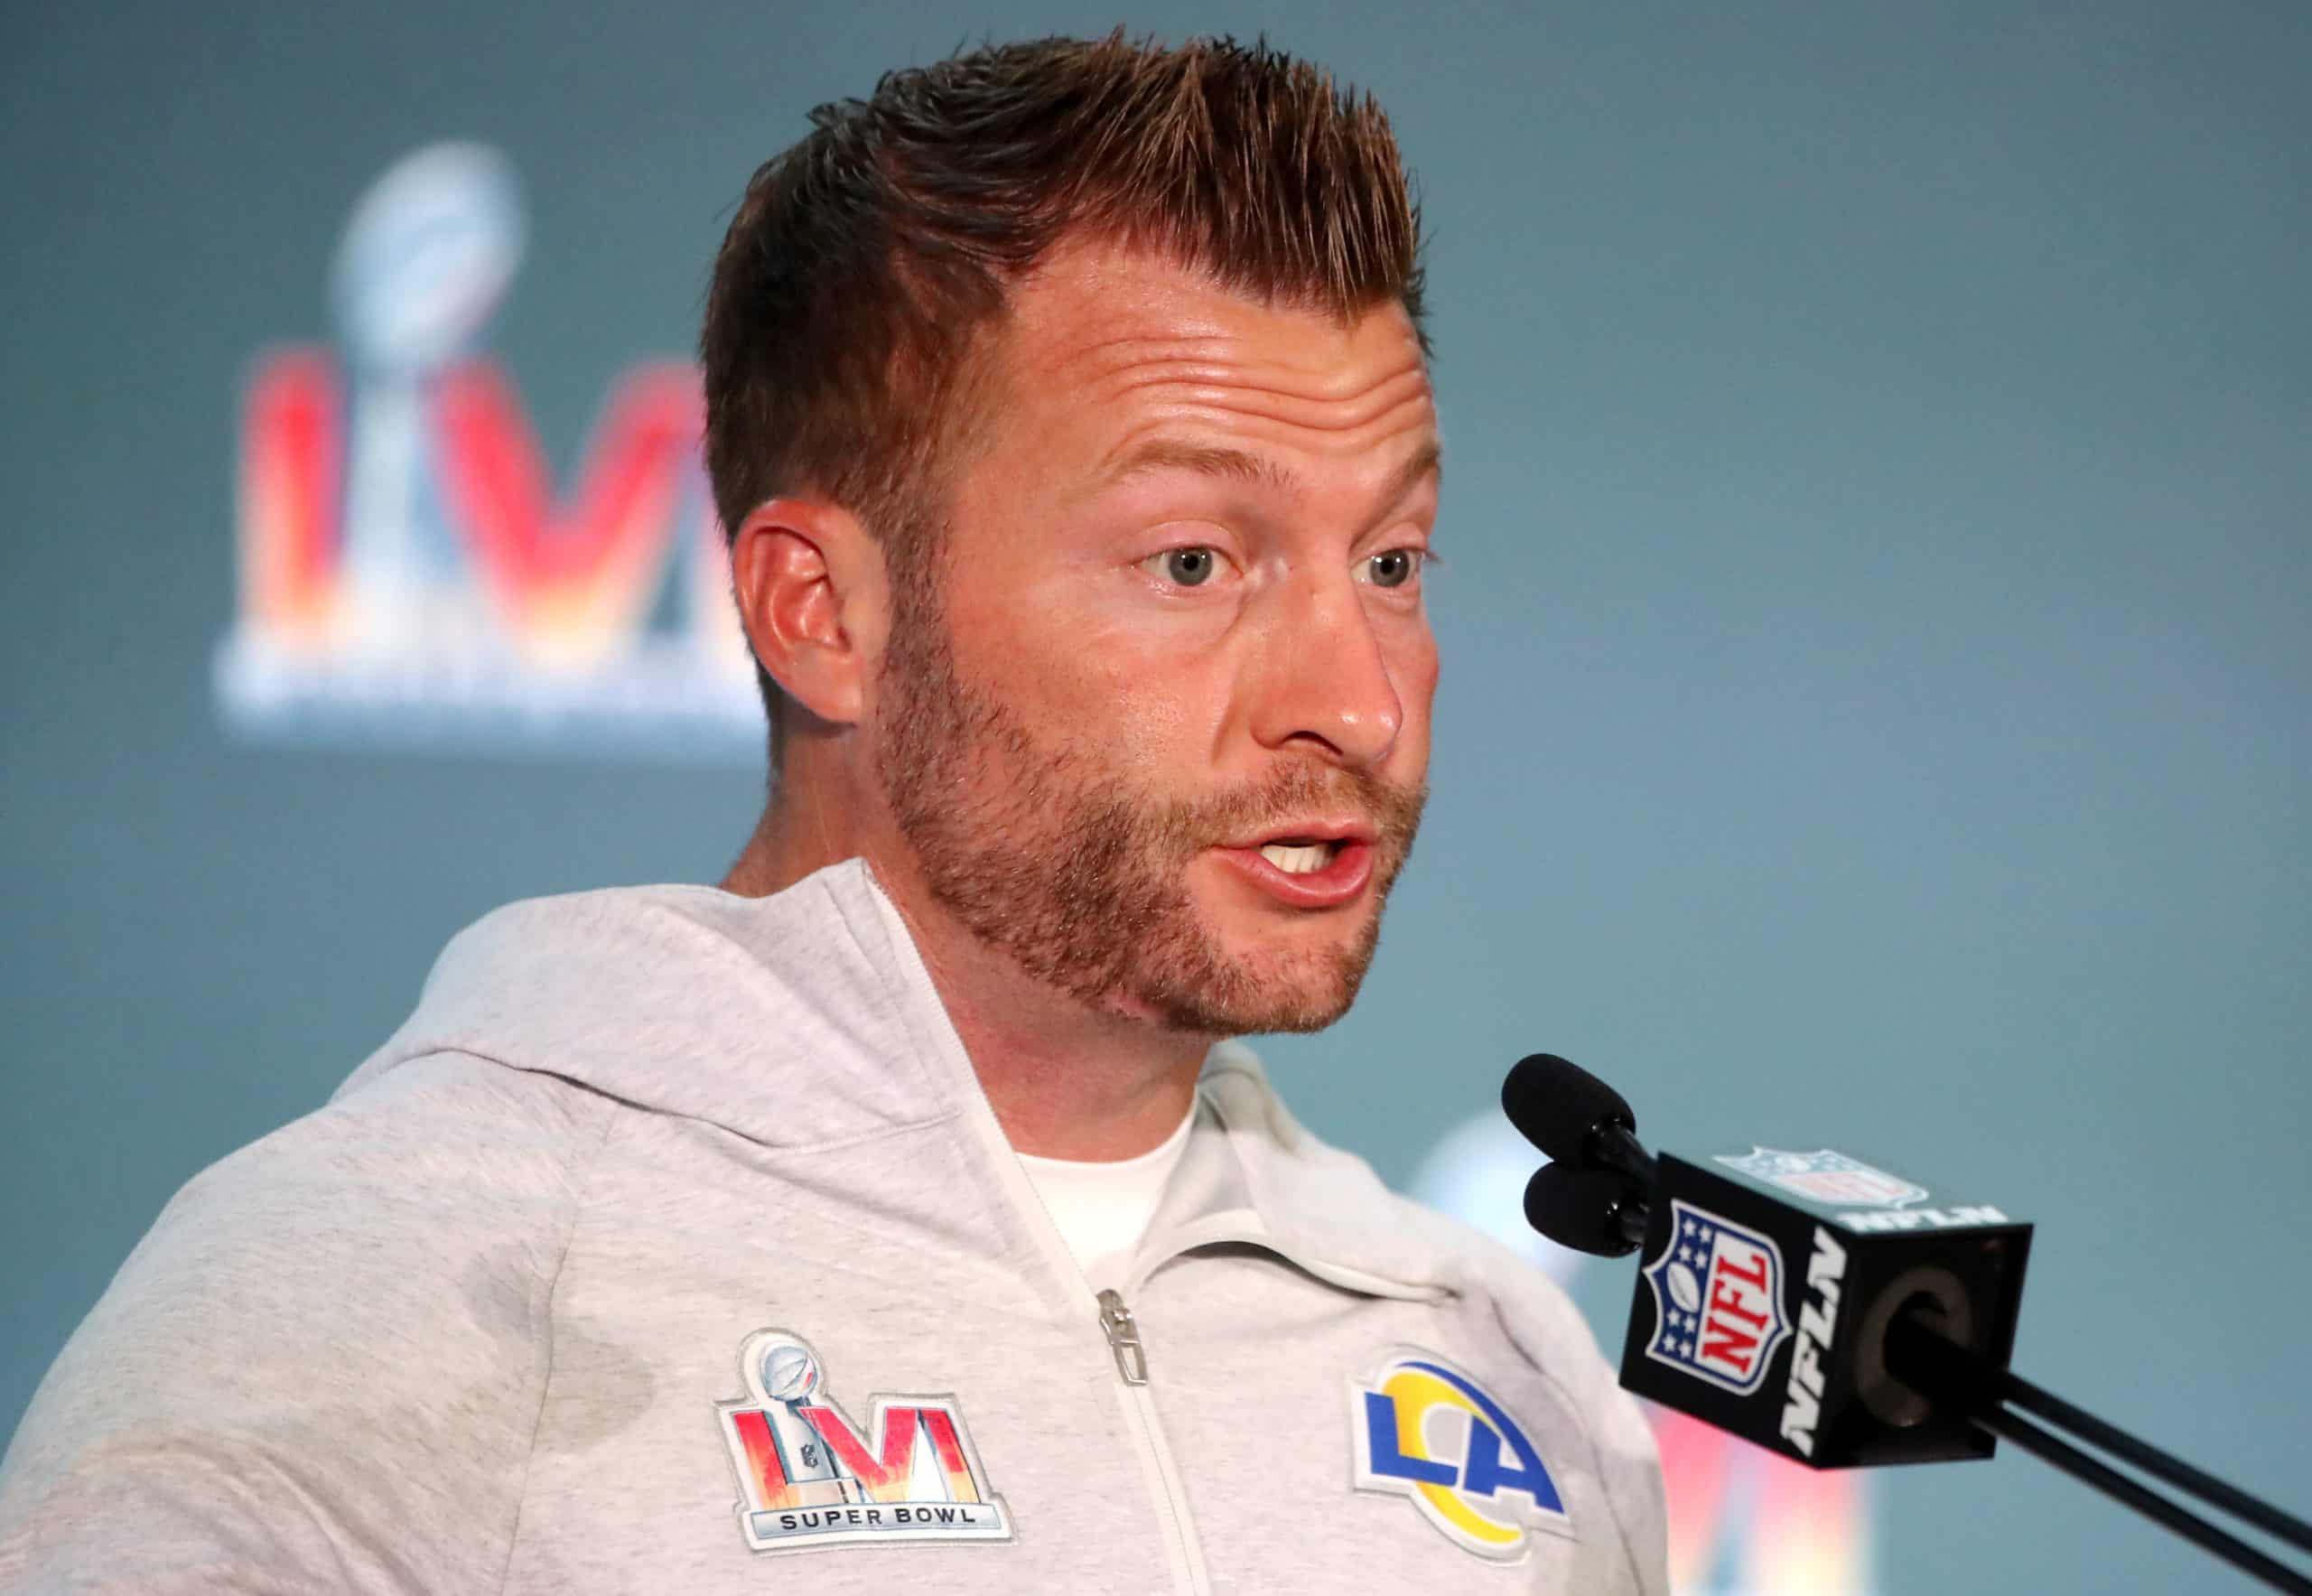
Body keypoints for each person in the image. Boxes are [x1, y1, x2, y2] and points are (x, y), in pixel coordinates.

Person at [0, 34, 1665, 1593]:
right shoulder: (373, 1298)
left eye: (1389, 562)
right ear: (823, 615)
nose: (1359, 701)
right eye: (1191, 562)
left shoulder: (1491, 1353)